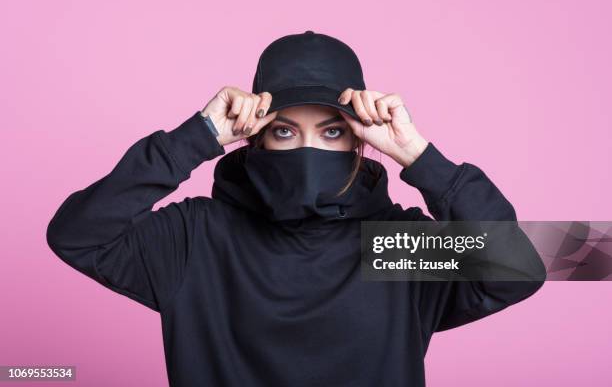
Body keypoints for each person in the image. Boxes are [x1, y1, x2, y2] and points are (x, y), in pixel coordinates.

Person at [46, 31, 546, 386]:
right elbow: (77, 234)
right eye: (285, 131)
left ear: (358, 142)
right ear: (255, 137)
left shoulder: (394, 247)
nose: (309, 150)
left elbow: (521, 267)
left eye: (333, 131)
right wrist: (194, 138)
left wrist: (417, 154)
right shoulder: (197, 237)